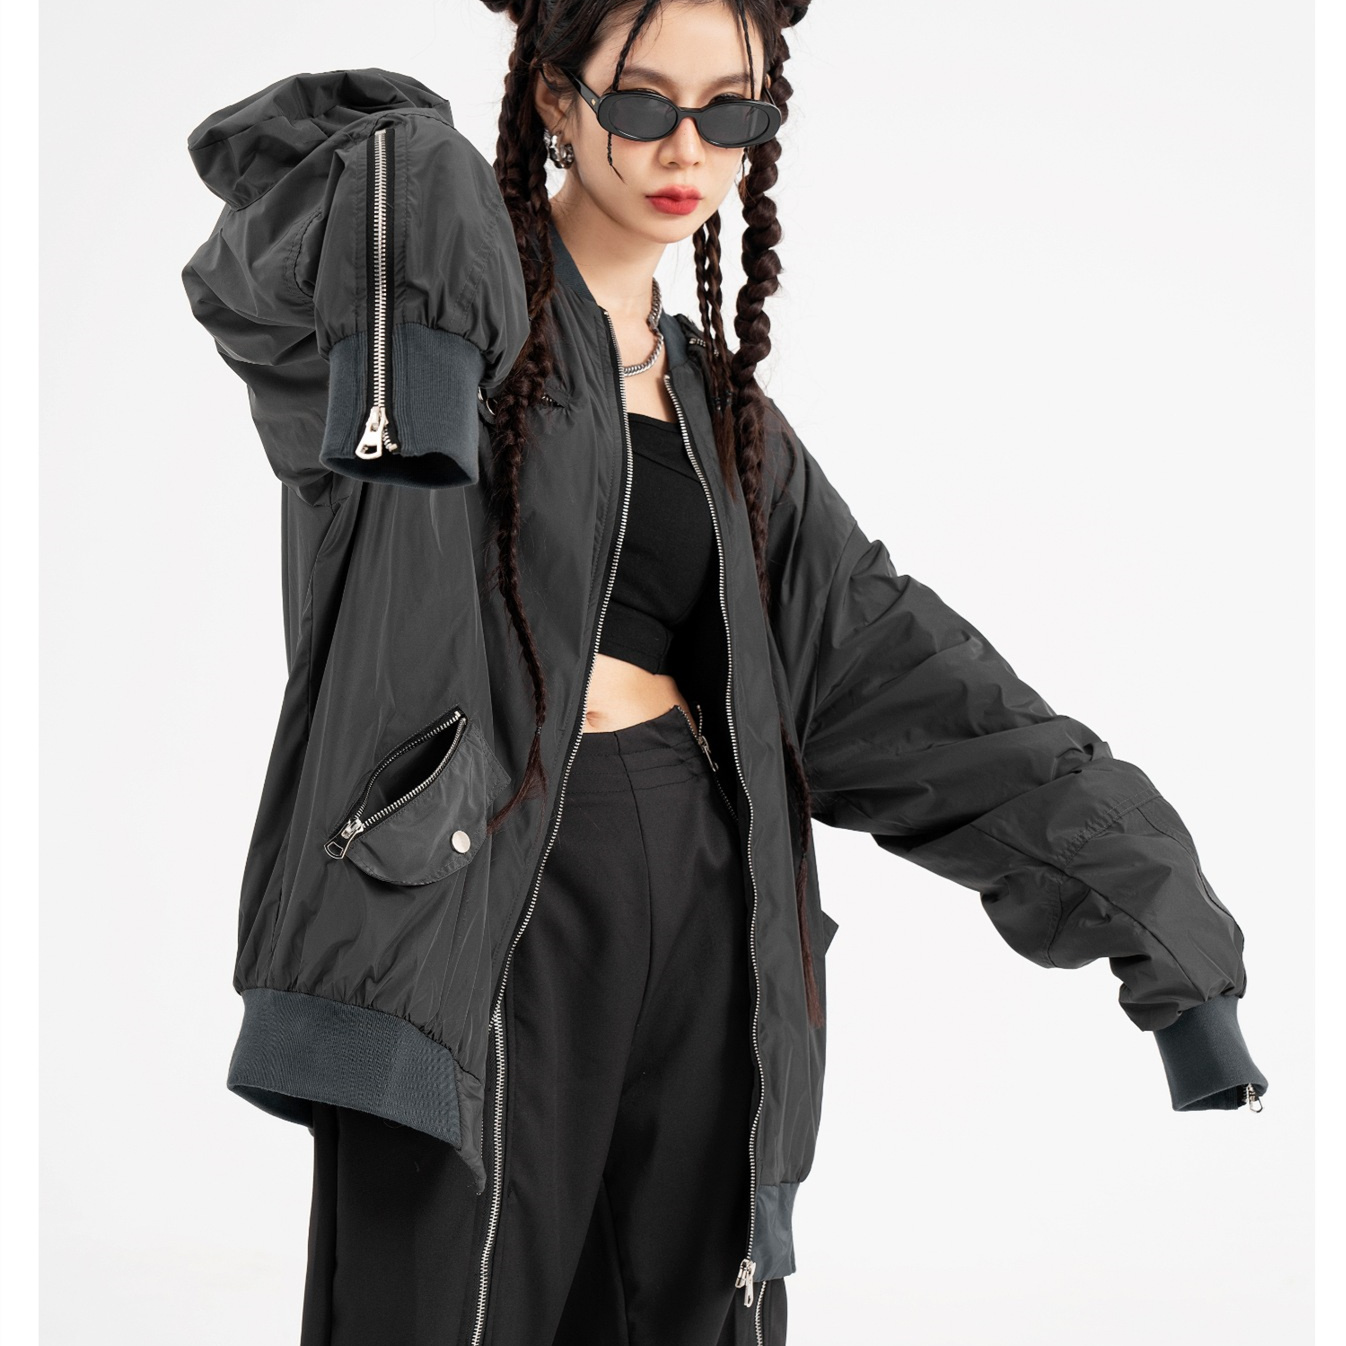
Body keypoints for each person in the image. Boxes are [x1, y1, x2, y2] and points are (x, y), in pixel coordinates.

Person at [179, 2, 1269, 1344]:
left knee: (691, 1313)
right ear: (556, 99)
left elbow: (916, 693)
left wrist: (1164, 929)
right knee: (441, 1311)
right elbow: (290, 211)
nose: (686, 147)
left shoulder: (728, 421)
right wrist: (423, 274)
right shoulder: (419, 316)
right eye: (642, 102)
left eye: (730, 110)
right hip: (469, 896)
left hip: (707, 901)